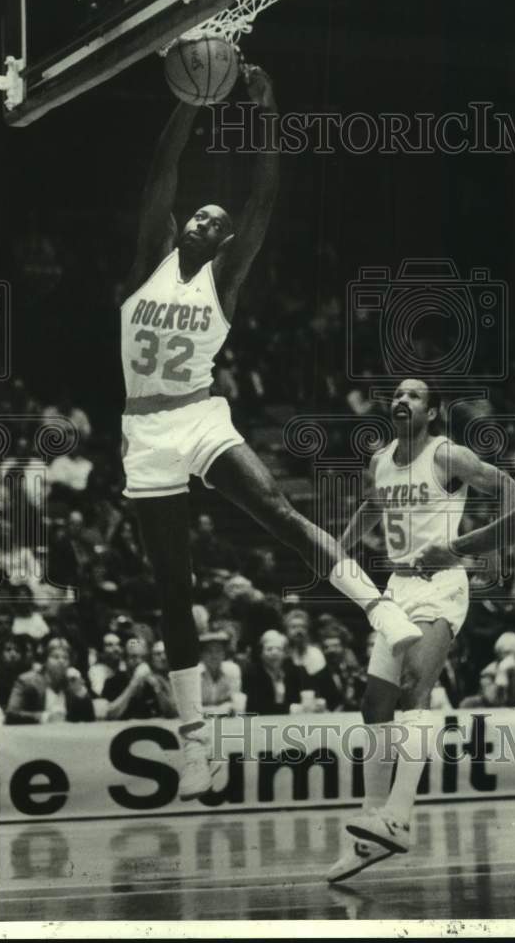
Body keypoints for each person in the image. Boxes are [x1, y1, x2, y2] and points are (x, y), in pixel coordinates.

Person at [119, 68, 421, 799]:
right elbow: (162, 171)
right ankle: (195, 748)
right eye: (199, 215)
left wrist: (269, 111)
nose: (206, 220)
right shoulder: (147, 262)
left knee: (276, 512)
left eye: (217, 223)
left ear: (225, 243)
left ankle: (380, 609)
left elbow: (265, 197)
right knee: (171, 587)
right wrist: (188, 105)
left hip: (198, 416)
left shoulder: (223, 281)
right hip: (144, 433)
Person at [327, 377, 515, 882]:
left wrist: (480, 549)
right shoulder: (380, 459)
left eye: (414, 395)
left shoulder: (446, 455)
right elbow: (374, 505)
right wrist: (340, 552)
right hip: (397, 586)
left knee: (416, 687)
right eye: (397, 394)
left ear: (431, 413)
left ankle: (400, 816)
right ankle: (373, 823)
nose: (402, 400)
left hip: (442, 585)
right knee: (374, 704)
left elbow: (510, 488)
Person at [5, 642, 94, 724]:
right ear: (45, 662)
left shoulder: (71, 683)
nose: (61, 661)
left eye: (65, 658)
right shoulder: (27, 681)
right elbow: (11, 713)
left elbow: (89, 720)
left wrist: (80, 692)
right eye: (55, 657)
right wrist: (45, 717)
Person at [242, 630, 310, 715]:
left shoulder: (295, 671)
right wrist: (288, 709)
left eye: (279, 649)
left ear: (285, 653)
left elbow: (304, 699)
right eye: (269, 649)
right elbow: (253, 707)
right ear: (261, 653)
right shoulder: (251, 673)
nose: (274, 653)